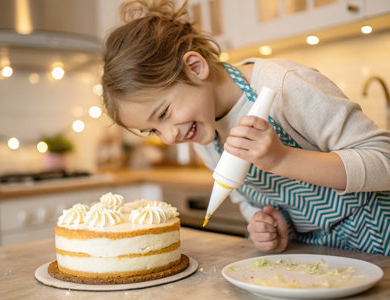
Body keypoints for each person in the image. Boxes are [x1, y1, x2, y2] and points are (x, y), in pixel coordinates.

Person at [101, 0, 390, 256]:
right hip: (316, 253)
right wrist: (270, 225)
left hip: (379, 237)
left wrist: (283, 159)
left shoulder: (284, 85)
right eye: (153, 131)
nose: (168, 137)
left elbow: (384, 162)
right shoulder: (202, 131)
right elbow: (244, 196)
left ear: (195, 67)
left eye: (164, 113)